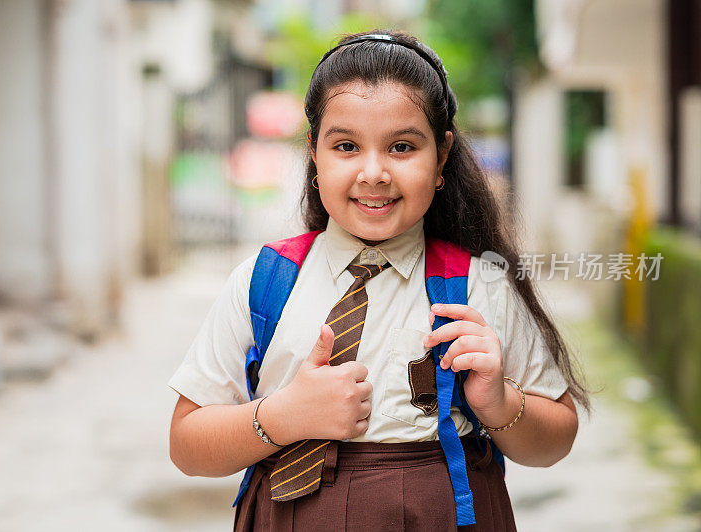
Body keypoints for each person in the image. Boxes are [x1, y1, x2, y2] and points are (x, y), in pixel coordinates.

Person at [168, 29, 589, 531]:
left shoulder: (480, 286)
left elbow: (556, 439)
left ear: (441, 157)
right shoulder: (264, 280)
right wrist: (285, 415)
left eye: (402, 147)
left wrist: (498, 402)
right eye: (346, 145)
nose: (374, 172)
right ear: (314, 157)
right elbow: (187, 444)